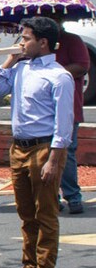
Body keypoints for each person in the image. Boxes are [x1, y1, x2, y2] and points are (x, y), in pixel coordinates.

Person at [0, 16, 73, 268]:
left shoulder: (59, 76)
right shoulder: (22, 68)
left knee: (45, 211)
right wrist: (10, 61)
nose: (21, 43)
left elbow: (64, 124)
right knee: (25, 212)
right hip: (19, 146)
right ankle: (29, 266)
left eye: (26, 39)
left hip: (43, 147)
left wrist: (54, 159)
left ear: (43, 42)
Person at [52, 16, 89, 214]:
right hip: (43, 110)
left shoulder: (73, 41)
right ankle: (52, 196)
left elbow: (82, 66)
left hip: (68, 107)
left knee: (67, 152)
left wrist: (53, 73)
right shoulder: (35, 44)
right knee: (46, 152)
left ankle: (72, 195)